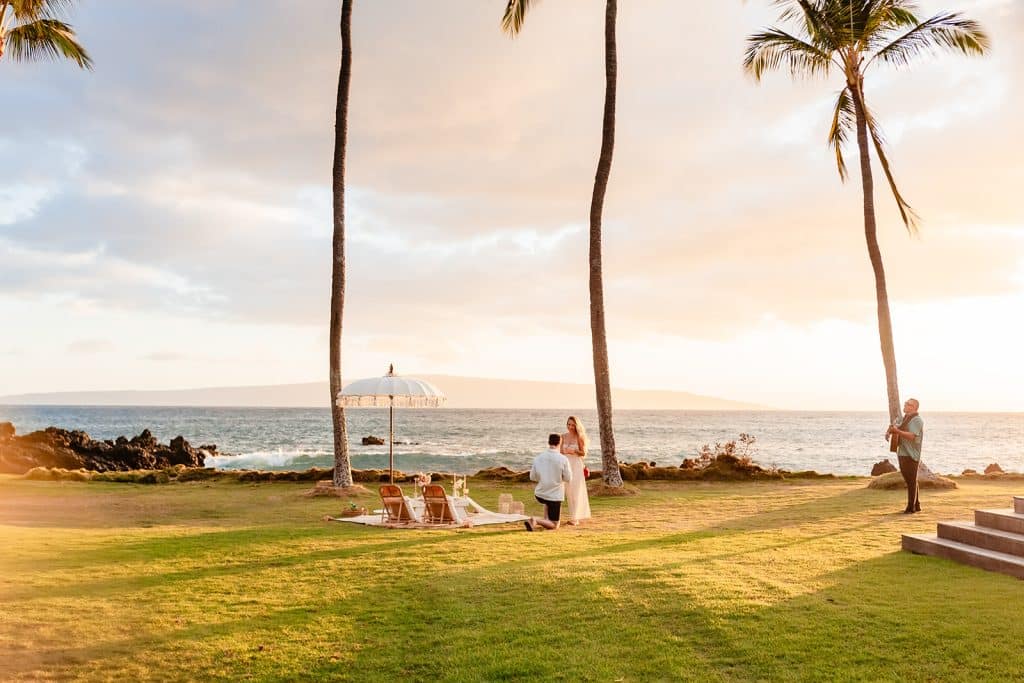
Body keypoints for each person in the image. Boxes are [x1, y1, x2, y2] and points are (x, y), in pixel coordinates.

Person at [524, 433, 572, 531]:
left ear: (548, 442)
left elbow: (532, 477)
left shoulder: (538, 458)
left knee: (547, 506)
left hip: (540, 494)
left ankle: (540, 521)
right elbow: (568, 478)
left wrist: (545, 478)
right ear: (560, 443)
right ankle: (535, 520)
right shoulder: (563, 459)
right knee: (555, 525)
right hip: (554, 497)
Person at [886, 398, 924, 514]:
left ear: (914, 408)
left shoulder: (917, 420)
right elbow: (895, 425)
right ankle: (916, 505)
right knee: (910, 480)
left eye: (908, 404)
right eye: (906, 403)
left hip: (912, 455)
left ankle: (910, 507)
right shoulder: (904, 418)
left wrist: (897, 432)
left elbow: (912, 436)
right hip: (902, 452)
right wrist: (889, 431)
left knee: (911, 481)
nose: (905, 405)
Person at [561, 415, 592, 525]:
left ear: (576, 426)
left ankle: (575, 518)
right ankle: (571, 516)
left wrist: (573, 451)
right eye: (569, 424)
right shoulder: (563, 436)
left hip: (576, 465)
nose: (570, 427)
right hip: (566, 464)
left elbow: (583, 453)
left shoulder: (580, 437)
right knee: (567, 491)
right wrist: (565, 452)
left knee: (575, 490)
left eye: (573, 425)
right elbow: (560, 452)